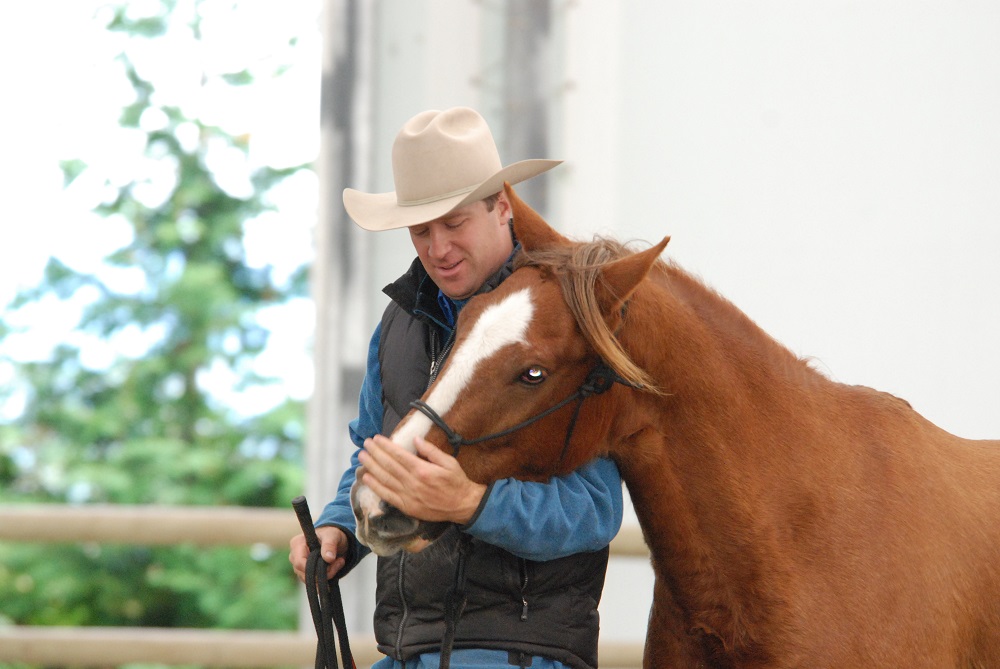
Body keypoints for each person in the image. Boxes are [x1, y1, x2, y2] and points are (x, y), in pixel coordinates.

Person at [289, 106, 624, 669]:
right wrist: (338, 528)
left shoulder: (564, 321)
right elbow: (373, 454)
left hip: (521, 652)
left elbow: (594, 509)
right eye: (421, 229)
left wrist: (473, 504)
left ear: (501, 207)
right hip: (405, 648)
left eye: (454, 222)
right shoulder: (396, 325)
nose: (437, 247)